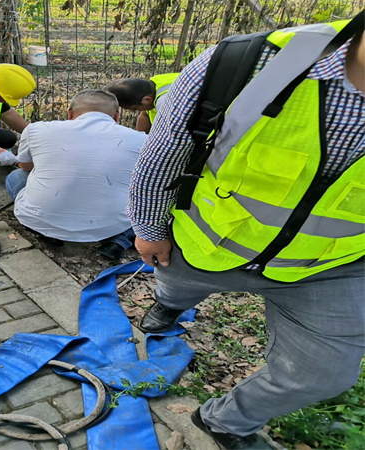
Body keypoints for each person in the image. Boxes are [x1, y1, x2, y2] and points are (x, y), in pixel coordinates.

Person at [127, 14, 364, 450]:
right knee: (174, 289)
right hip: (209, 244)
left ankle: (225, 422)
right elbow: (161, 157)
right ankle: (168, 306)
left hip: (329, 265)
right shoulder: (251, 62)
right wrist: (148, 228)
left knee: (325, 373)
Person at [5, 89, 147, 259]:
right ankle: (119, 241)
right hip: (110, 224)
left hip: (40, 219)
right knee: (144, 197)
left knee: (15, 177)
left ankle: (43, 231)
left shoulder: (37, 129)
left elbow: (26, 167)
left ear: (70, 113)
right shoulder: (142, 140)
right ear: (117, 116)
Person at [106, 73, 178, 133]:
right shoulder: (154, 84)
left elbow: (172, 135)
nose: (137, 111)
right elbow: (145, 115)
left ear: (146, 100)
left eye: (135, 108)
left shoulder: (165, 103)